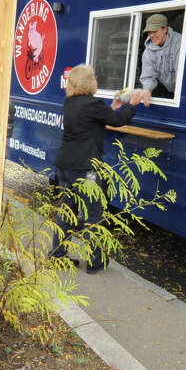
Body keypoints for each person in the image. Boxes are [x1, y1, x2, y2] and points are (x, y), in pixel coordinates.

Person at [51, 64, 146, 273]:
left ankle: (57, 255)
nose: (97, 81)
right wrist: (132, 104)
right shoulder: (93, 104)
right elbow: (118, 121)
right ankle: (95, 262)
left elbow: (100, 118)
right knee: (93, 214)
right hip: (84, 168)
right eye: (94, 78)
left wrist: (113, 106)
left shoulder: (70, 103)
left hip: (64, 166)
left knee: (67, 212)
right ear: (87, 83)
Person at [139, 13, 182, 100]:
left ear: (165, 29)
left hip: (181, 89)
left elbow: (181, 73)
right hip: (165, 88)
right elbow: (148, 77)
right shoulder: (148, 52)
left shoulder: (180, 42)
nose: (151, 35)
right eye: (149, 32)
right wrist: (147, 89)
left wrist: (179, 96)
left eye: (154, 31)